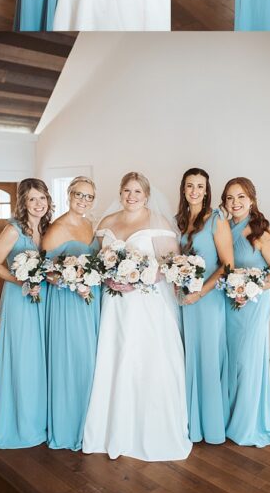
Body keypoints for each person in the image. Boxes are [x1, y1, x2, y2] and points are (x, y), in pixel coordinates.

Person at [82, 172, 191, 461]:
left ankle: (150, 428)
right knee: (114, 357)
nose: (132, 196)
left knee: (145, 359)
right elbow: (96, 261)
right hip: (114, 304)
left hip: (146, 304)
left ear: (146, 195)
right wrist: (108, 279)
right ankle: (110, 427)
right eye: (127, 191)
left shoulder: (158, 222)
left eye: (137, 192)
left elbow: (171, 265)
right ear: (120, 193)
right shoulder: (106, 223)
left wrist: (137, 278)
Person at [0, 179, 53, 448]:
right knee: (23, 359)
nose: (38, 204)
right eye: (32, 199)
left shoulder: (47, 228)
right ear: (23, 203)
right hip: (20, 299)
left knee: (40, 358)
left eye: (42, 198)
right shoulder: (14, 230)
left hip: (43, 297)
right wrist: (20, 281)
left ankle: (40, 418)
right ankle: (22, 424)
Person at [223, 177, 270, 446]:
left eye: (240, 197)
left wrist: (249, 289)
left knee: (247, 362)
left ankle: (247, 423)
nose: (235, 202)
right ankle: (227, 416)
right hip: (226, 303)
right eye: (230, 198)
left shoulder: (262, 231)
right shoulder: (223, 228)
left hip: (253, 305)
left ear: (251, 199)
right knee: (229, 359)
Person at [175, 168, 234, 444]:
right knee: (191, 356)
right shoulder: (183, 222)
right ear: (184, 190)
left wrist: (200, 294)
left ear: (207, 190)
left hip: (208, 300)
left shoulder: (216, 219)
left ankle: (210, 426)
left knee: (208, 357)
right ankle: (192, 423)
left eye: (200, 186)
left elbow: (227, 264)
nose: (195, 191)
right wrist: (179, 283)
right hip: (186, 300)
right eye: (190, 186)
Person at [42, 177, 100, 451]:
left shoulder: (90, 224)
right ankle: (69, 426)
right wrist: (73, 282)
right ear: (68, 194)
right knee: (74, 360)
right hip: (68, 303)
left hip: (92, 301)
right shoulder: (58, 228)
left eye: (89, 196)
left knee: (93, 360)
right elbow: (44, 270)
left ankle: (93, 423)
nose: (83, 200)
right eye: (79, 194)